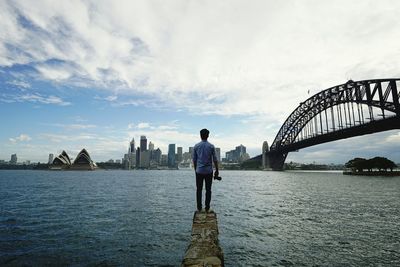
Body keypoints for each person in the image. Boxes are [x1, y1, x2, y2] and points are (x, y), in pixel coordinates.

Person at [192, 128, 219, 212]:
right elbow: (215, 159)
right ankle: (207, 207)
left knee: (199, 190)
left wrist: (196, 169)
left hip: (199, 171)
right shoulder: (211, 146)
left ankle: (199, 208)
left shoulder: (196, 146)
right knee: (208, 190)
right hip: (208, 171)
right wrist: (217, 170)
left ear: (200, 136)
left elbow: (194, 160)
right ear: (208, 136)